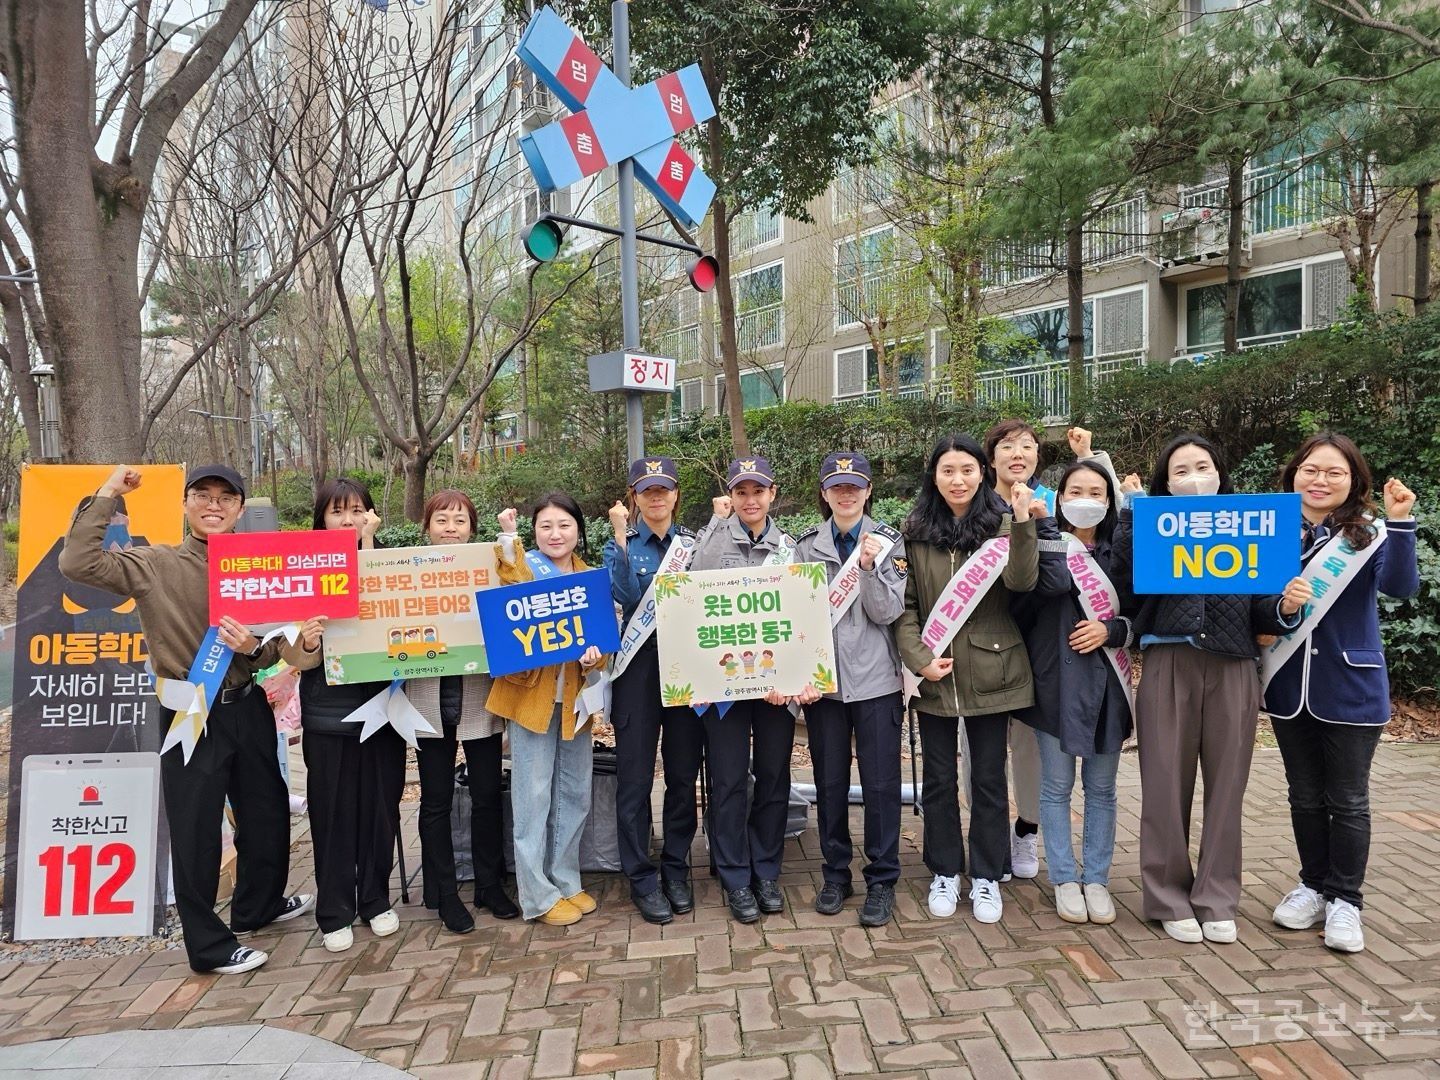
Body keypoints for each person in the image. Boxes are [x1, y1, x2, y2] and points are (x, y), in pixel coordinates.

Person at [60, 464, 321, 975]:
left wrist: (262, 648)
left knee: (266, 815)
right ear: (186, 504)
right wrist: (110, 492)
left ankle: (258, 906)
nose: (214, 505)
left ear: (241, 509)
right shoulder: (154, 564)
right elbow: (77, 562)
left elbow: (279, 650)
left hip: (246, 706)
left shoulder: (260, 565)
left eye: (227, 498)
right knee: (197, 829)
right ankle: (208, 946)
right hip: (188, 712)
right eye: (203, 495)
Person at [1112, 434, 1313, 944]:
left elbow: (1266, 610)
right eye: (1180, 471)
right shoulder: (1150, 525)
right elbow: (1126, 594)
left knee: (1228, 788)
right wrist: (1135, 519)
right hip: (1167, 662)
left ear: (1221, 474)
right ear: (1166, 482)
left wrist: (1287, 606)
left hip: (1233, 668)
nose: (1193, 476)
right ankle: (1166, 896)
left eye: (1202, 466)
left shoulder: (1251, 528)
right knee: (1162, 784)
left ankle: (1217, 895)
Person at [1264, 434, 1418, 953]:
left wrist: (1399, 524)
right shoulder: (1272, 530)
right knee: (1304, 795)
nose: (1320, 480)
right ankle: (1312, 885)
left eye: (1334, 472)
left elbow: (1399, 587)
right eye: (1311, 470)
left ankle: (1346, 900)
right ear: (1293, 475)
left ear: (1354, 480)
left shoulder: (1367, 535)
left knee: (1348, 799)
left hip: (1351, 685)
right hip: (1288, 686)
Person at [894, 434, 1039, 925]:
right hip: (935, 675)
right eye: (947, 471)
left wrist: (1020, 523)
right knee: (937, 780)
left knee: (989, 780)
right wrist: (918, 659)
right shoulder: (913, 532)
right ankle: (943, 870)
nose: (958, 480)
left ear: (982, 473)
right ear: (934, 476)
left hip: (992, 670)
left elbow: (1023, 582)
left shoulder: (1002, 526)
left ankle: (985, 875)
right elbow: (906, 606)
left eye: (967, 470)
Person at [1013, 460, 1133, 925]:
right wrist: (1042, 528)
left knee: (1101, 789)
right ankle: (1064, 877)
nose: (1086, 499)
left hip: (1108, 685)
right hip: (1055, 684)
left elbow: (1144, 611)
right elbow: (1050, 586)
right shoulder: (1047, 542)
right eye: (1076, 490)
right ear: (1060, 498)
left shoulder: (1122, 552)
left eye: (1097, 492)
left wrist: (1113, 631)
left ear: (1109, 502)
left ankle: (1097, 878)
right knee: (1056, 786)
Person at [793, 451, 907, 926]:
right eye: (837, 487)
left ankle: (882, 879)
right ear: (824, 493)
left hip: (877, 680)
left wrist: (864, 568)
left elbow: (887, 612)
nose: (846, 494)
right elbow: (795, 617)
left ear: (867, 491)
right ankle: (836, 874)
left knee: (881, 784)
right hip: (825, 686)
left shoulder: (888, 542)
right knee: (831, 782)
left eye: (854, 486)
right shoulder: (805, 548)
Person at [487, 494, 608, 927]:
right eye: (546, 527)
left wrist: (597, 659)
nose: (555, 534)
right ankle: (536, 895)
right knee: (533, 797)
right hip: (529, 699)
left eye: (564, 525)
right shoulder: (524, 566)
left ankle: (565, 880)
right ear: (534, 532)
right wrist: (508, 536)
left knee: (573, 793)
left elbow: (603, 642)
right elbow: (510, 581)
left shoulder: (591, 577)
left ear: (578, 530)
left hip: (575, 703)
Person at [298, 478, 405, 953]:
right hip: (328, 710)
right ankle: (334, 909)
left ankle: (376, 900)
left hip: (384, 705)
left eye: (358, 510)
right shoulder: (301, 568)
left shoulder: (388, 561)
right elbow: (289, 646)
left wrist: (366, 544)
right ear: (321, 518)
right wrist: (307, 640)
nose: (348, 519)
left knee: (381, 807)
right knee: (333, 811)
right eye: (338, 511)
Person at [689, 457, 798, 924]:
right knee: (729, 781)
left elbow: (801, 616)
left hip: (775, 685)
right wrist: (716, 522)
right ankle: (735, 876)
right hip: (725, 686)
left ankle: (766, 869)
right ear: (730, 498)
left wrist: (795, 678)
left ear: (772, 493)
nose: (749, 501)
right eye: (740, 493)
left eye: (758, 491)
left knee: (773, 778)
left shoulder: (791, 548)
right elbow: (690, 584)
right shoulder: (712, 539)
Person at [409, 489, 519, 934]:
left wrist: (510, 537)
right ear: (427, 527)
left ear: (473, 528)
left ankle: (489, 884)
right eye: (442, 520)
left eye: (459, 520)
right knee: (434, 799)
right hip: (427, 695)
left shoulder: (487, 565)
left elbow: (516, 585)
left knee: (487, 794)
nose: (451, 528)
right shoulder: (408, 570)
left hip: (478, 693)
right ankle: (444, 890)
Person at [602, 457, 703, 925]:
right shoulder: (616, 547)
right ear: (634, 498)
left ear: (676, 495)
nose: (656, 498)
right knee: (636, 780)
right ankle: (641, 878)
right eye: (646, 491)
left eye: (663, 490)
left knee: (683, 777)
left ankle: (677, 869)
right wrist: (622, 540)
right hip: (637, 675)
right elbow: (623, 595)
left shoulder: (694, 545)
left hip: (686, 670)